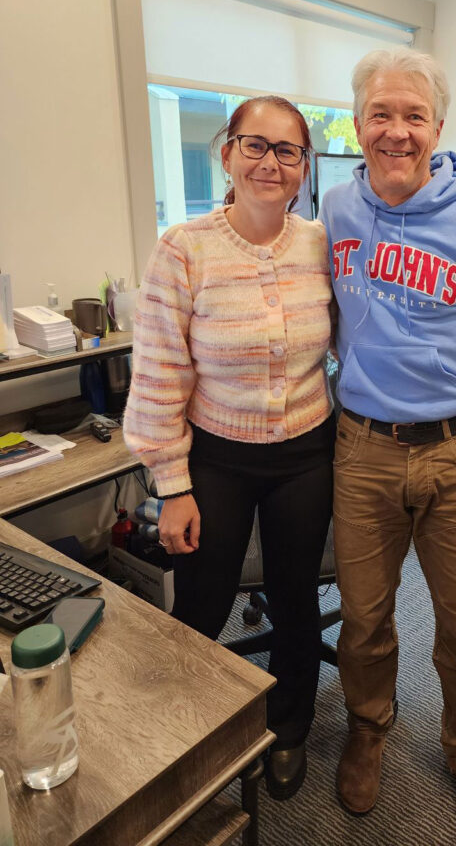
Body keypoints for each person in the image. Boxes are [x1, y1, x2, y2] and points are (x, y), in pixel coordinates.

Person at [319, 47, 456, 837]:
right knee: (365, 617)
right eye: (381, 113)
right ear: (357, 123)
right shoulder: (336, 214)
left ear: (438, 126)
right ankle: (369, 731)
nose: (397, 131)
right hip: (364, 450)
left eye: (414, 116)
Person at [123, 95, 335, 800]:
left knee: (295, 595)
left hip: (306, 451)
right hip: (216, 455)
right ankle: (187, 728)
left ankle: (289, 725)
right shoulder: (185, 249)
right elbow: (159, 372)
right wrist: (171, 485)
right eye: (256, 145)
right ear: (227, 153)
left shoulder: (319, 245)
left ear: (304, 167)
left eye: (288, 150)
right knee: (205, 600)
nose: (271, 162)